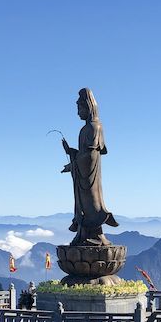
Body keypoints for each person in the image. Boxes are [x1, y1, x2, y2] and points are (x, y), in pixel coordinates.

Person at [61, 88, 118, 246]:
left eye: (80, 108)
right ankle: (83, 233)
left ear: (88, 107)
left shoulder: (94, 127)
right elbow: (83, 153)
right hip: (83, 177)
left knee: (92, 205)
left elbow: (91, 156)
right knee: (83, 205)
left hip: (89, 177)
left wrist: (73, 164)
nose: (78, 113)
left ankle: (94, 235)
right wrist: (71, 152)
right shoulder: (85, 129)